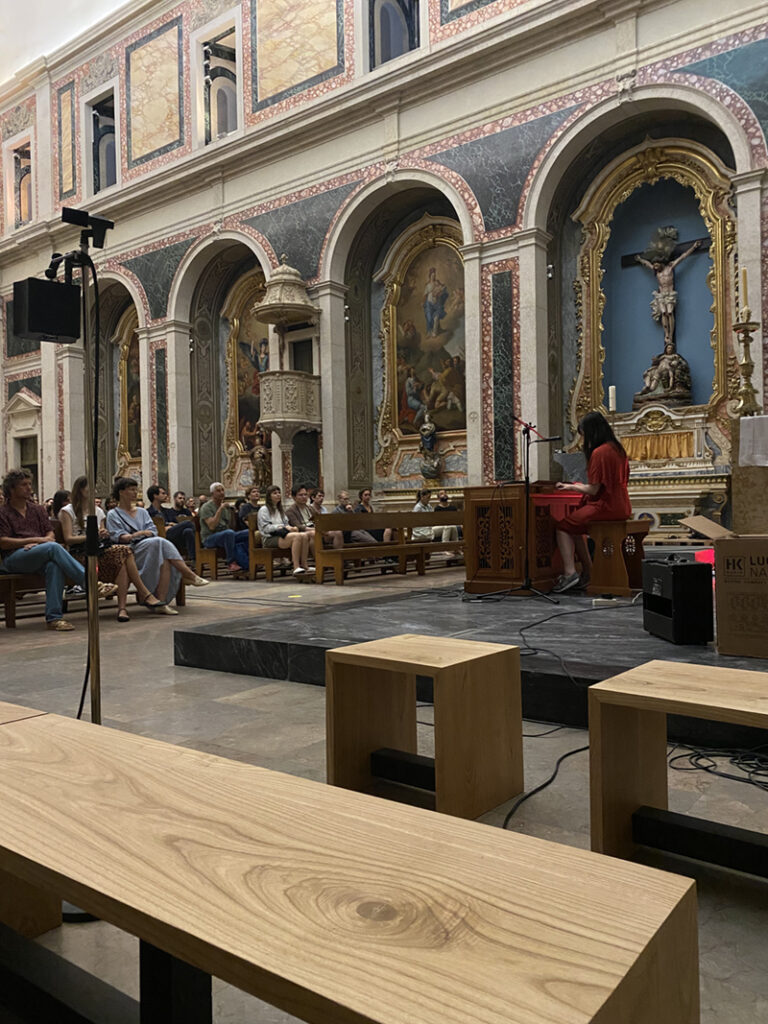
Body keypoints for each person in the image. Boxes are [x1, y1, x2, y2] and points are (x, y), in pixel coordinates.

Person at [0, 468, 117, 631]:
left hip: (40, 552)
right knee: (53, 548)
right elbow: (4, 542)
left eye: (29, 484)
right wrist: (37, 541)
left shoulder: (37, 509)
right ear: (12, 489)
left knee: (54, 566)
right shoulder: (3, 512)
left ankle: (54, 618)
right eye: (23, 485)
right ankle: (90, 583)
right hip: (14, 558)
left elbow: (50, 533)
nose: (29, 488)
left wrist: (41, 543)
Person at [60, 476, 166, 621]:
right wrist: (91, 536)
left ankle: (124, 608)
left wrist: (103, 534)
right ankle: (141, 596)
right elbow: (68, 539)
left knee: (122, 556)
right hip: (80, 553)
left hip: (99, 550)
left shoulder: (98, 511)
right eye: (89, 487)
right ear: (80, 490)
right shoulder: (67, 511)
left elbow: (103, 535)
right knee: (123, 554)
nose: (93, 491)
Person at [553, 411, 631, 594]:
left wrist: (571, 487)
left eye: (584, 435)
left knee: (563, 527)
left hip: (605, 506)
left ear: (592, 432)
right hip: (622, 505)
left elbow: (594, 490)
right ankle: (589, 571)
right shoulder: (618, 450)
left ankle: (570, 573)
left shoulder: (599, 452)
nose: (584, 440)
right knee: (576, 527)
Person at [106, 477, 209, 613]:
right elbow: (119, 537)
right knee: (159, 542)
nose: (135, 492)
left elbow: (153, 530)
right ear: (121, 492)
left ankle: (161, 602)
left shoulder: (142, 512)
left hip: (149, 546)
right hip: (130, 551)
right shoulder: (113, 514)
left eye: (136, 489)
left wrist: (139, 534)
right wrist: (140, 534)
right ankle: (188, 574)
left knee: (164, 557)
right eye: (131, 490)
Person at [257, 485, 311, 576]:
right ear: (269, 496)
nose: (278, 495)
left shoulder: (280, 509)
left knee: (304, 535)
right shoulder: (264, 509)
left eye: (279, 493)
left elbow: (286, 524)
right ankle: (296, 566)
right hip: (269, 538)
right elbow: (265, 528)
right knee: (297, 537)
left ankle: (305, 565)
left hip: (281, 535)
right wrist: (282, 527)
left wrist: (291, 528)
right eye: (275, 493)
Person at [199, 482, 250, 574]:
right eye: (218, 491)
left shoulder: (226, 508)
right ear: (212, 493)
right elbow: (212, 526)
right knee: (229, 533)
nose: (221, 493)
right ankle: (231, 563)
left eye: (222, 490)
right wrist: (220, 509)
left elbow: (230, 526)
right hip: (209, 538)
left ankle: (250, 560)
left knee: (248, 533)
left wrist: (233, 513)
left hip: (226, 535)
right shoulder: (206, 507)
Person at [147, 484, 195, 560]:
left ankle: (194, 559)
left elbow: (174, 523)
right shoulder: (147, 512)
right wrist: (167, 525)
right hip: (159, 535)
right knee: (188, 523)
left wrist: (170, 525)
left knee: (188, 531)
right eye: (163, 493)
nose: (166, 495)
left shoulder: (167, 511)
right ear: (155, 496)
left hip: (171, 533)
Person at [286, 484, 316, 557]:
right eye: (300, 495)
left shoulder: (310, 508)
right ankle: (318, 560)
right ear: (294, 497)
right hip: (303, 531)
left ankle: (338, 559)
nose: (304, 497)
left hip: (314, 528)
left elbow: (319, 519)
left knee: (337, 533)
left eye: (305, 494)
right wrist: (313, 529)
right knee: (314, 534)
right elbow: (297, 526)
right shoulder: (290, 511)